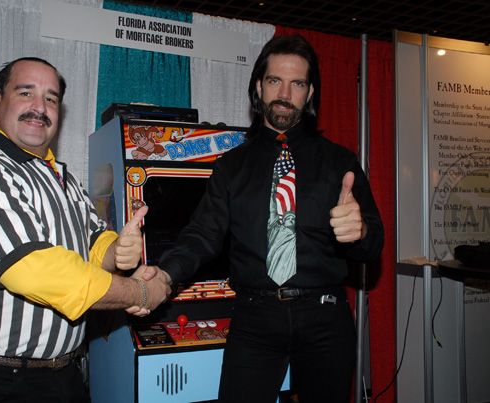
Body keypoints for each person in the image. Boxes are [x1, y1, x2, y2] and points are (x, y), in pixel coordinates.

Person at [150, 35, 384, 402]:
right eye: (275, 81)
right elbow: (202, 235)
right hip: (254, 319)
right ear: (258, 87)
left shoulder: (341, 162)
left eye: (298, 84)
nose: (284, 93)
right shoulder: (231, 167)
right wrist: (163, 275)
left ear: (310, 94)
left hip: (325, 318)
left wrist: (361, 231)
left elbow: (373, 247)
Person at [0, 57, 170, 402]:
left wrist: (117, 251)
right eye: (26, 92)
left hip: (63, 376)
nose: (39, 107)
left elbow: (93, 242)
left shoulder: (63, 179)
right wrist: (139, 293)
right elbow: (36, 271)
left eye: (51, 99)